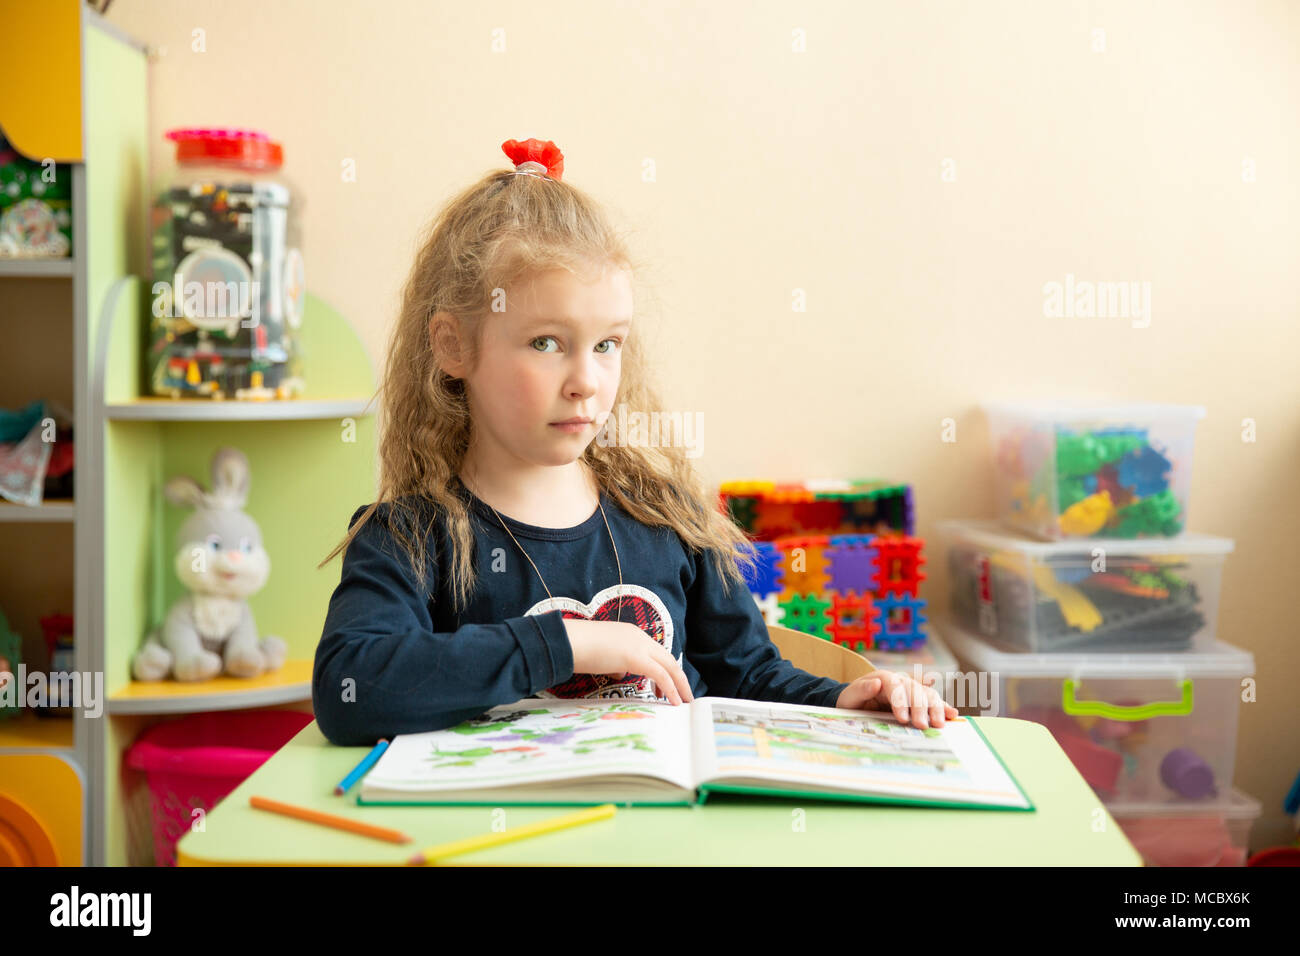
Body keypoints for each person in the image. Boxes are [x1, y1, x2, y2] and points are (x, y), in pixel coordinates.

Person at [312, 138, 956, 746]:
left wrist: (847, 700)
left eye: (606, 344)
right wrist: (564, 644)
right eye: (546, 343)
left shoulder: (667, 516)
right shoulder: (408, 538)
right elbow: (350, 691)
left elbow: (750, 677)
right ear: (453, 343)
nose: (585, 382)